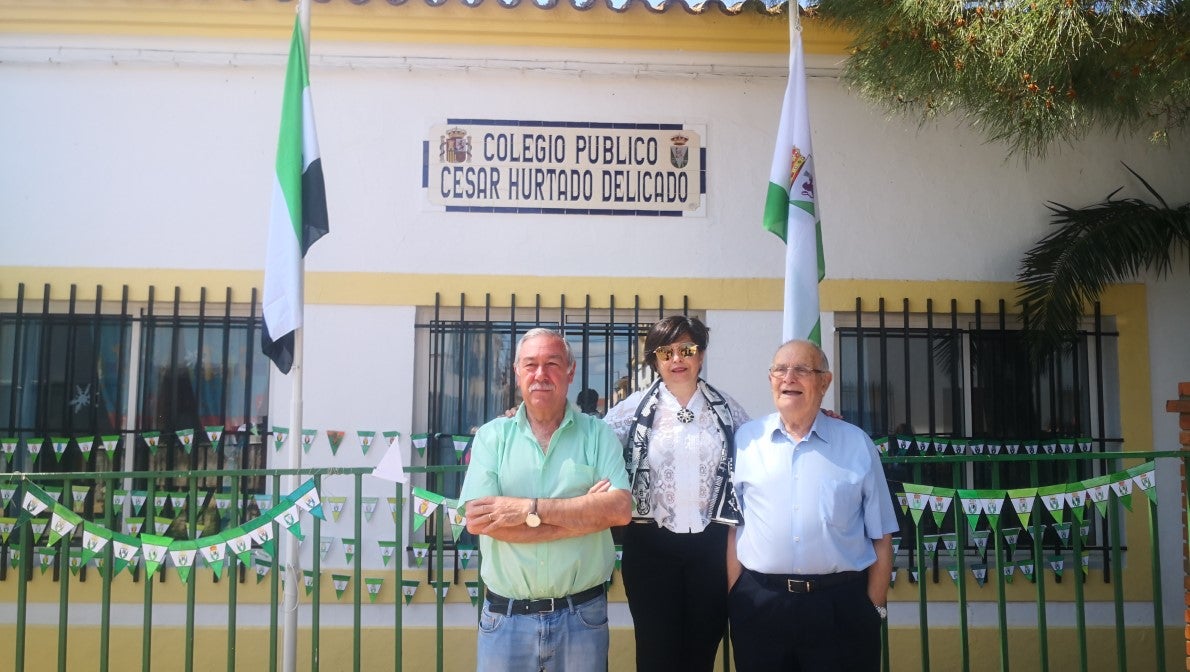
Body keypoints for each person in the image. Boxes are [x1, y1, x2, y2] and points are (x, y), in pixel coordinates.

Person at [459, 328, 632, 672]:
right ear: (517, 372)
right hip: (505, 620)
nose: (541, 374)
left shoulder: (599, 435)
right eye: (531, 364)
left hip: (581, 618)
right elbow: (479, 521)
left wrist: (527, 510)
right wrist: (582, 516)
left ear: (570, 371)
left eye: (552, 363)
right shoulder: (492, 437)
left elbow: (619, 509)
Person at [727, 339, 899, 672]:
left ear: (825, 382)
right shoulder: (745, 441)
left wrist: (874, 608)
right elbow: (733, 527)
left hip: (840, 608)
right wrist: (735, 595)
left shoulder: (856, 443)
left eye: (802, 369)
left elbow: (881, 534)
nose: (788, 377)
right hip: (760, 606)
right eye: (780, 369)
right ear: (771, 379)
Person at [603, 315, 749, 672]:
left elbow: (766, 447)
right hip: (650, 550)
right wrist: (528, 415)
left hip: (712, 550)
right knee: (655, 654)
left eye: (686, 349)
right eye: (665, 352)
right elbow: (588, 447)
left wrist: (817, 416)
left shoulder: (728, 411)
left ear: (701, 354)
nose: (676, 360)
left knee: (701, 654)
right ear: (654, 360)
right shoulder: (629, 412)